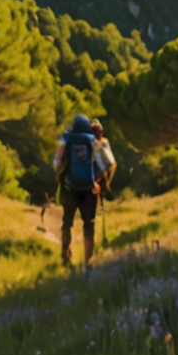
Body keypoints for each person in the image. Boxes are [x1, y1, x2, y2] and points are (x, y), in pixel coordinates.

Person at [52, 114, 114, 266]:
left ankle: (65, 253)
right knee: (89, 223)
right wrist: (102, 182)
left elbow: (56, 162)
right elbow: (108, 163)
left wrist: (60, 174)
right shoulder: (93, 141)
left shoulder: (67, 139)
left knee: (67, 223)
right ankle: (88, 259)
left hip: (69, 188)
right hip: (89, 190)